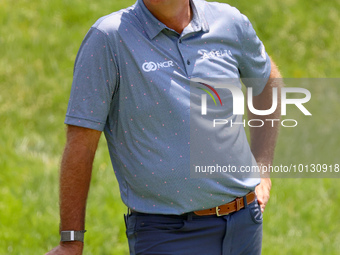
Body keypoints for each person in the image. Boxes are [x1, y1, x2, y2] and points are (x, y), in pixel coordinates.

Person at [46, 0, 282, 254]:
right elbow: (81, 143)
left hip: (243, 225)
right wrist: (70, 242)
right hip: (166, 234)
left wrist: (262, 167)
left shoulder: (229, 22)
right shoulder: (109, 39)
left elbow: (268, 83)